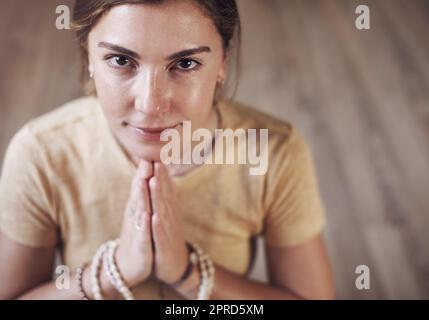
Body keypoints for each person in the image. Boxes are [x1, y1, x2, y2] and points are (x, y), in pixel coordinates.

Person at [0, 0, 335, 299]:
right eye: (120, 60)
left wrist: (187, 272)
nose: (151, 105)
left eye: (185, 64)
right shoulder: (40, 153)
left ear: (222, 63)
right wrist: (115, 269)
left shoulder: (273, 152)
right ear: (88, 57)